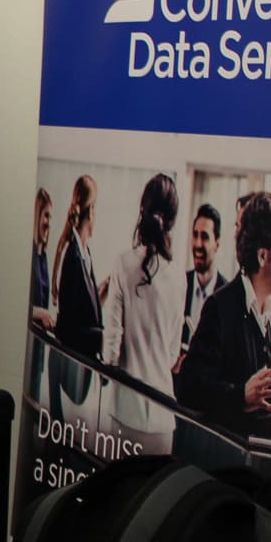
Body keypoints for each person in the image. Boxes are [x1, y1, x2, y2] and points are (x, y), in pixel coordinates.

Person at [176, 192, 271, 436]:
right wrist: (241, 395)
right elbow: (188, 387)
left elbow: (263, 401)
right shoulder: (220, 307)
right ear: (263, 256)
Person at [99, 174, 182, 454]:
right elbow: (171, 355)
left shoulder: (122, 264)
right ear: (172, 220)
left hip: (126, 412)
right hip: (163, 419)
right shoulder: (179, 277)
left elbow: (110, 351)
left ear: (142, 211)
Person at [52, 174, 103, 358]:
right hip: (71, 372)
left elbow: (82, 309)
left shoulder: (84, 253)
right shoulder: (72, 257)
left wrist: (101, 294)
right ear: (91, 211)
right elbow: (67, 329)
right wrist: (101, 338)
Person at [180, 202, 227, 359]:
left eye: (205, 237)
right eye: (195, 235)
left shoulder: (227, 297)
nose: (198, 244)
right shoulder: (179, 285)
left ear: (217, 244)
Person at [30, 187, 56, 329]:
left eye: (50, 217)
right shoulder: (27, 256)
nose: (48, 223)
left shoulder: (43, 257)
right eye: (45, 215)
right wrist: (41, 313)